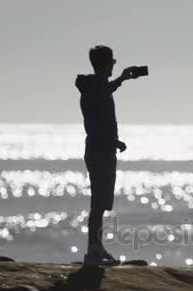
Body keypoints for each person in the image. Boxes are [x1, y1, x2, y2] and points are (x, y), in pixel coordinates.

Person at [75, 45, 143, 264]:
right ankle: (94, 250)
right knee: (98, 203)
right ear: (105, 63)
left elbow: (105, 91)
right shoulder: (96, 87)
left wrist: (122, 79)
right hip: (100, 150)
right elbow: (97, 124)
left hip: (100, 149)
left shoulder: (95, 87)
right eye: (112, 61)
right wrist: (114, 141)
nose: (115, 63)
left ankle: (96, 247)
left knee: (101, 203)